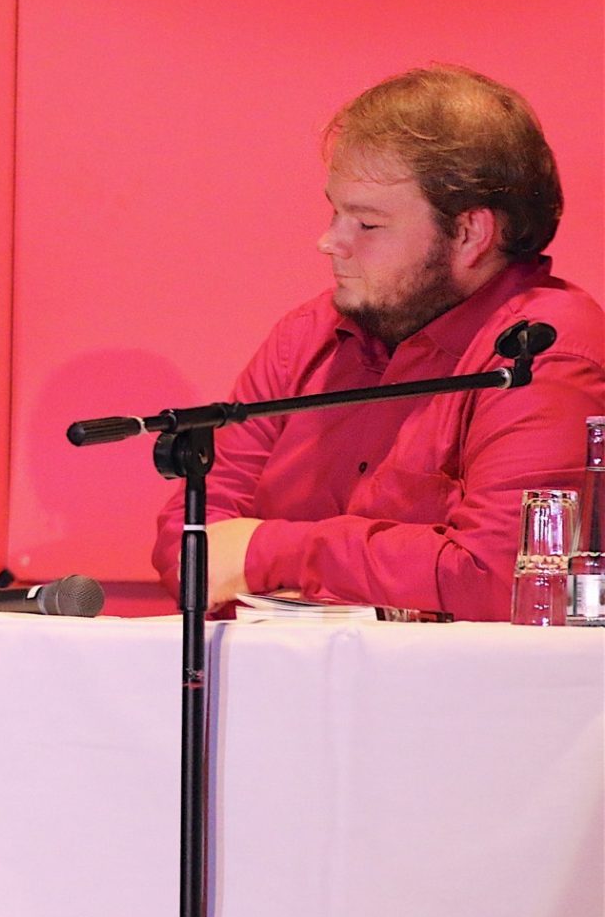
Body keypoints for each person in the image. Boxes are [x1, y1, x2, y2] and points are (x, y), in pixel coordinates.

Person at [152, 65, 605, 620]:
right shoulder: (308, 334)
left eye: (366, 224)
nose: (329, 242)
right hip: (282, 685)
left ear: (469, 234)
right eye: (334, 211)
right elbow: (193, 540)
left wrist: (270, 551)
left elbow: (505, 579)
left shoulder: (544, 353)